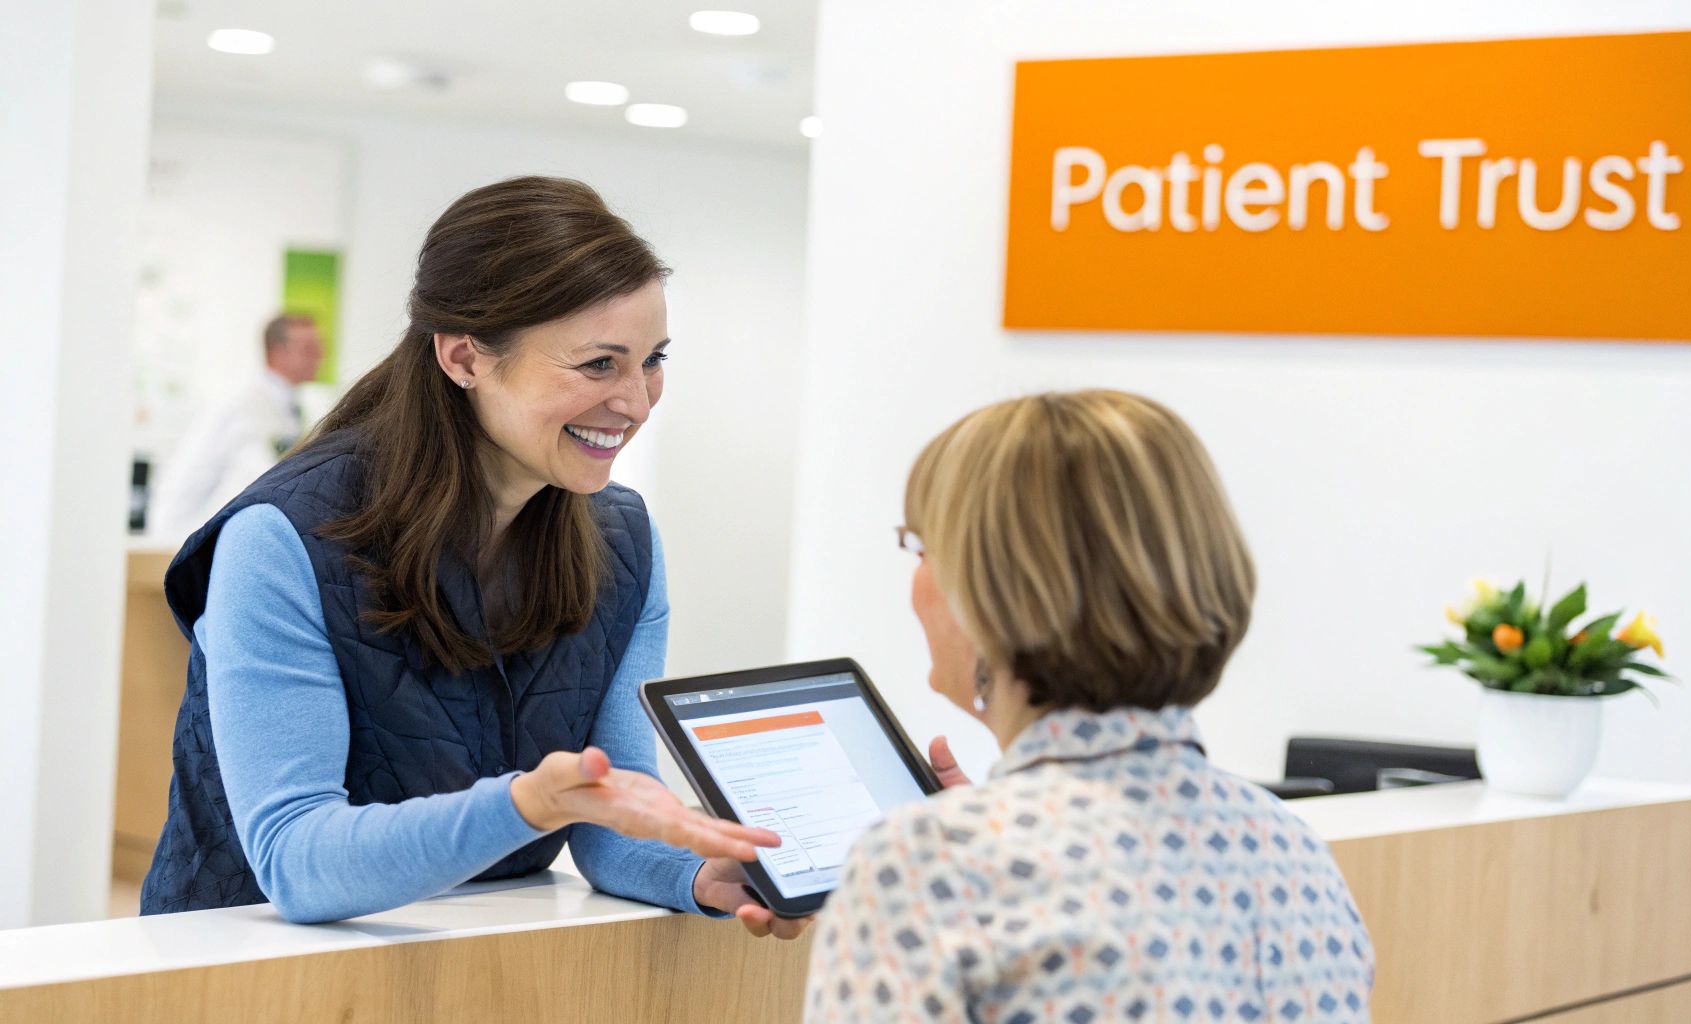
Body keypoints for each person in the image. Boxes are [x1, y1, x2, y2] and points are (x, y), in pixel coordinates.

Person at [141, 176, 805, 942]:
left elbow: (610, 818)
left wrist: (696, 873)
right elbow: (296, 859)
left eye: (651, 359)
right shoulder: (282, 537)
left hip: (467, 967)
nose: (637, 401)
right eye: (598, 364)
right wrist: (529, 804)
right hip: (245, 969)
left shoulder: (622, 541)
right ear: (462, 357)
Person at [804, 391, 1374, 1021]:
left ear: (991, 591)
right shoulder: (1291, 852)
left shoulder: (923, 868)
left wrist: (962, 844)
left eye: (922, 549)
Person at [147, 313, 324, 540]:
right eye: (309, 349)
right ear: (278, 352)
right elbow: (268, 478)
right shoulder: (243, 407)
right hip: (186, 535)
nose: (320, 356)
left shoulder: (287, 405)